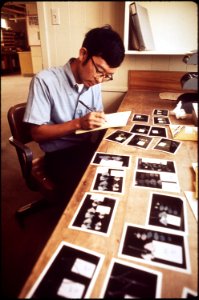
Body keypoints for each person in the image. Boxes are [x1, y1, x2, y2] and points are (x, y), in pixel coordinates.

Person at [23, 25, 125, 201]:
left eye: (107, 76)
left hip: (86, 148)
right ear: (83, 54)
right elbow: (37, 133)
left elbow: (97, 119)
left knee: (120, 172)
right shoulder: (44, 81)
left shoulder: (94, 83)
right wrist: (78, 123)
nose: (100, 79)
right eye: (100, 71)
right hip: (59, 157)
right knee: (92, 192)